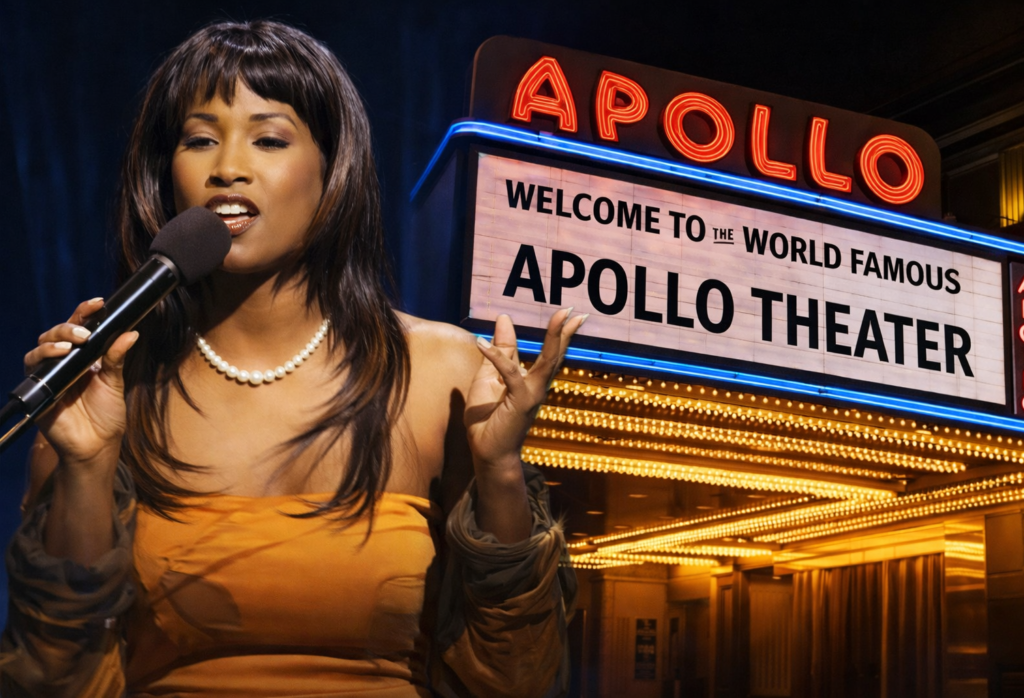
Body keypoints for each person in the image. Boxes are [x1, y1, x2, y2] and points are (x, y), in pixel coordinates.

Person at [0, 19, 584, 697]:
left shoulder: (442, 373)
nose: (228, 167)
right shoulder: (109, 389)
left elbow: (519, 676)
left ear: (332, 170)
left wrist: (500, 471)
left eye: (269, 138)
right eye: (199, 139)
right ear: (168, 176)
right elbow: (51, 676)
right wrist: (87, 463)